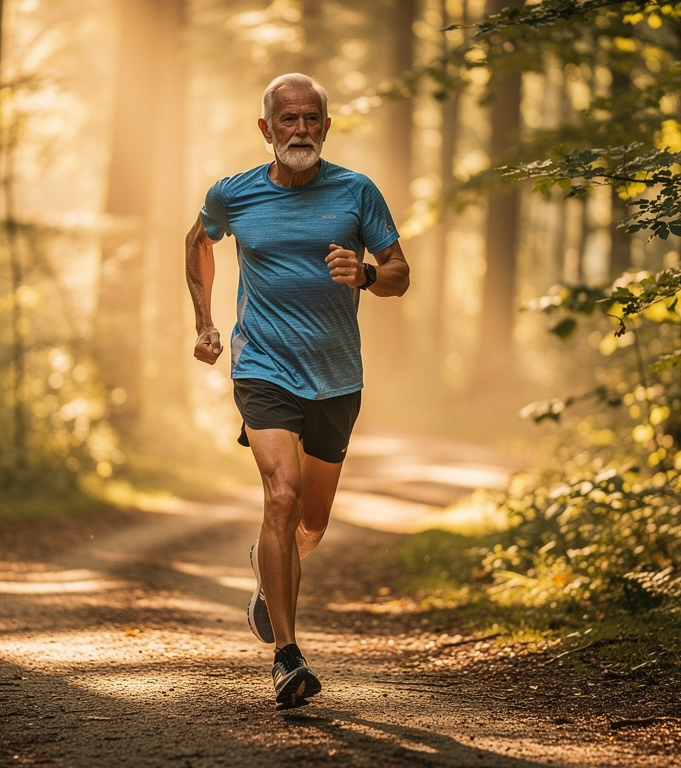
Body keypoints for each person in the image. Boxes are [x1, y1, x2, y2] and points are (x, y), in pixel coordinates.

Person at [184, 73, 409, 709]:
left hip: (336, 376)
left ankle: (268, 564)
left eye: (312, 118)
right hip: (262, 367)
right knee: (281, 494)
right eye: (289, 119)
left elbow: (400, 273)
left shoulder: (357, 191)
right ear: (267, 128)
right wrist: (204, 322)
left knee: (311, 521)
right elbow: (198, 241)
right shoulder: (233, 193)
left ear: (326, 127)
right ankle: (287, 655)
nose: (301, 129)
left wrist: (366, 273)